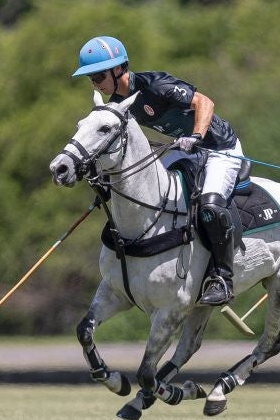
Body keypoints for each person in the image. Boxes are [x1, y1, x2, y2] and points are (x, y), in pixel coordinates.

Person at [73, 36, 242, 306]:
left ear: (119, 69)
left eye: (99, 76)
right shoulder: (118, 106)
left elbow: (205, 103)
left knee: (209, 205)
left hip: (219, 149)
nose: (95, 83)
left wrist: (197, 136)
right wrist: (105, 184)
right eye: (91, 79)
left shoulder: (156, 85)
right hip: (187, 152)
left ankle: (222, 278)